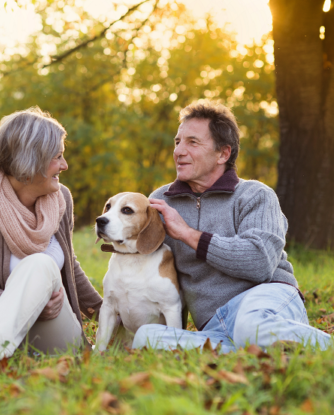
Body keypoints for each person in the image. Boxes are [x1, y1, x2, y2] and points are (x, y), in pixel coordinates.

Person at [132, 101, 332, 352]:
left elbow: (258, 263)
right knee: (147, 337)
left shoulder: (255, 195)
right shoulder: (161, 200)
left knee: (251, 326)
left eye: (192, 142)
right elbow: (146, 265)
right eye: (177, 142)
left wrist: (186, 233)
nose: (179, 151)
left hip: (265, 301)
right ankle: (250, 351)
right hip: (214, 326)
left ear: (223, 154)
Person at [0, 106, 102, 359]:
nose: (65, 165)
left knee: (39, 264)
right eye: (58, 156)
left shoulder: (60, 199)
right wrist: (30, 305)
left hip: (53, 333)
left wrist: (105, 314)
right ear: (32, 159)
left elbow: (70, 266)